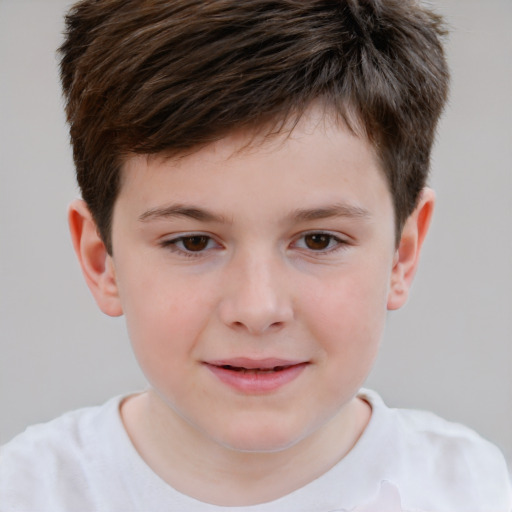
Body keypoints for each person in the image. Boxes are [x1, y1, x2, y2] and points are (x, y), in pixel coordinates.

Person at [1, 0, 510, 510]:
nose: (257, 309)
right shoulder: (27, 493)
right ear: (100, 260)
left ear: (402, 254)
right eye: (193, 242)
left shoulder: (475, 492)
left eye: (319, 240)